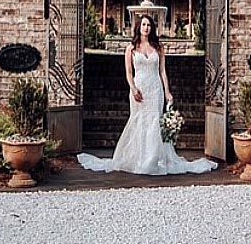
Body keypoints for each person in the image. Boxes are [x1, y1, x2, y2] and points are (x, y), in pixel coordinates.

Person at [76, 14, 218, 175]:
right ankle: (138, 158)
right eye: (143, 24)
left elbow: (163, 71)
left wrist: (167, 92)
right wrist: (133, 89)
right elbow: (129, 73)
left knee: (154, 123)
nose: (146, 27)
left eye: (149, 25)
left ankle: (152, 158)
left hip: (155, 89)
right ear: (139, 27)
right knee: (139, 121)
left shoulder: (158, 47)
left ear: (152, 28)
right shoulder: (131, 48)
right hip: (139, 89)